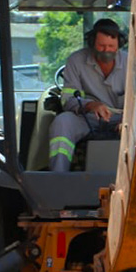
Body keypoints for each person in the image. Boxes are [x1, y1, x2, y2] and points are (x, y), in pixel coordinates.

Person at [48, 17, 128, 171]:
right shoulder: (75, 61)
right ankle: (58, 175)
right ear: (92, 43)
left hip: (123, 118)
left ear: (120, 44)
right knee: (62, 122)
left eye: (111, 46)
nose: (106, 50)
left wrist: (128, 121)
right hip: (87, 118)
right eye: (102, 46)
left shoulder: (132, 62)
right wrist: (91, 105)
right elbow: (67, 100)